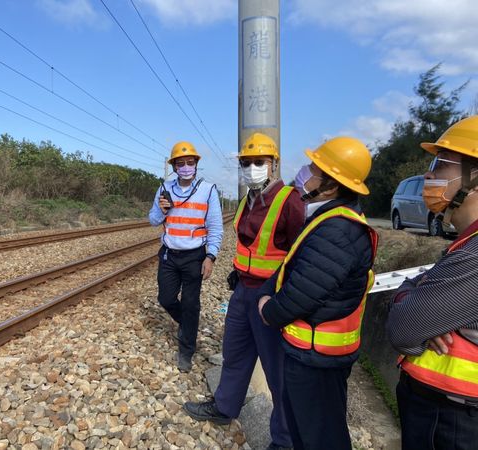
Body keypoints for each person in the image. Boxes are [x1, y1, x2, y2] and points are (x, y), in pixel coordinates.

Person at [183, 133, 305, 450]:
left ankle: (284, 440)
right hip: (242, 291)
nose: (252, 167)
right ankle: (224, 407)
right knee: (235, 354)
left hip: (271, 297)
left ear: (273, 164)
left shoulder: (289, 201)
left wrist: (284, 298)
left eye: (258, 162)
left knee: (277, 372)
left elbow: (300, 254)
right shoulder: (247, 200)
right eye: (246, 162)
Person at [256, 137, 378, 450]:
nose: (304, 172)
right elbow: (293, 267)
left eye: (313, 169)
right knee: (305, 431)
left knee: (321, 437)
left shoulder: (338, 230)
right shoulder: (327, 219)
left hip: (318, 359)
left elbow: (303, 293)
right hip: (311, 353)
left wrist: (269, 310)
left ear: (331, 186)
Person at [386, 116, 478, 450]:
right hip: (448, 410)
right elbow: (415, 293)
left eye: (441, 164)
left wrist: (414, 301)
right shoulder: (467, 244)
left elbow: (404, 328)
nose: (428, 175)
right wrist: (414, 293)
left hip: (453, 419)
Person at [149, 141, 223, 373]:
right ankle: (189, 325)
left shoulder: (208, 190)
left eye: (190, 162)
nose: (185, 167)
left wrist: (210, 256)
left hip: (195, 256)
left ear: (196, 164)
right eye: (180, 163)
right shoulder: (164, 189)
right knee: (166, 298)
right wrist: (161, 210)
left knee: (191, 304)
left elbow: (216, 227)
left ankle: (186, 351)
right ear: (173, 166)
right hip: (170, 255)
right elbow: (152, 220)